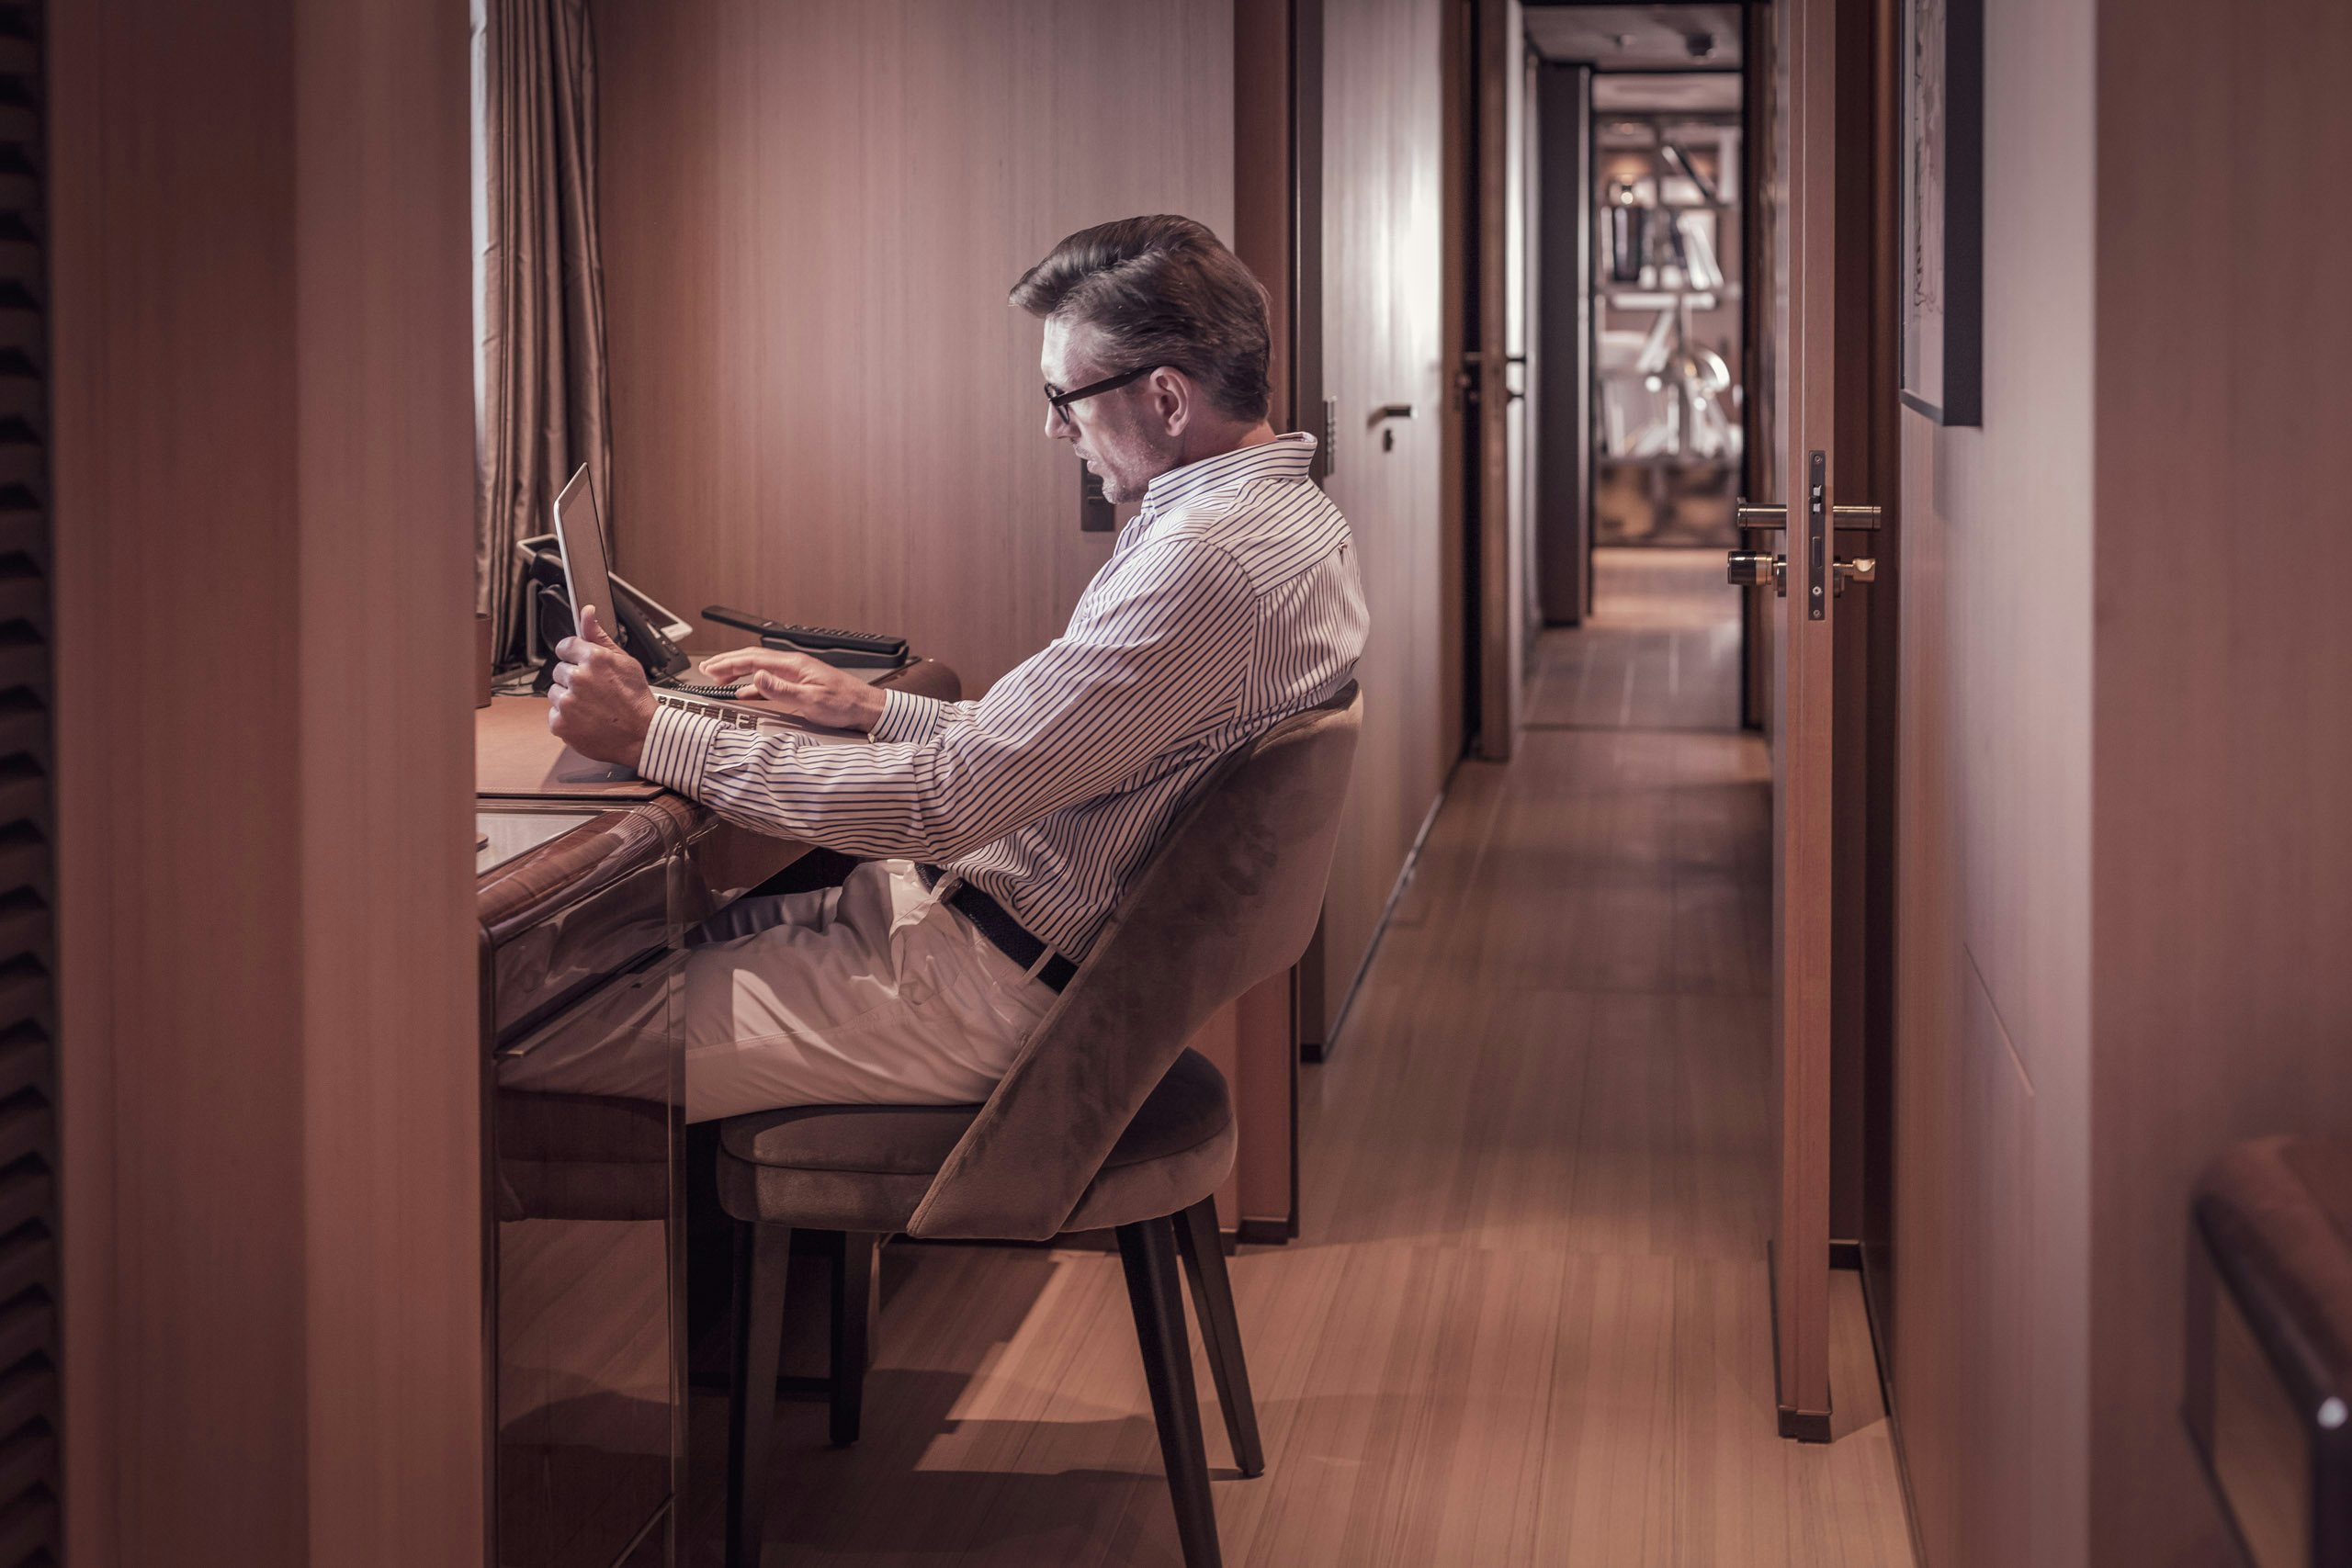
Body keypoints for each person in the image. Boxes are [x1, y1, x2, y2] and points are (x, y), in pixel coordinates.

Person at [548, 215, 1367, 1122]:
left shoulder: (1204, 562)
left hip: (979, 988)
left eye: (1065, 398)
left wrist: (651, 732)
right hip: (976, 936)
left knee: (529, 1028)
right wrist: (872, 707)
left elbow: (945, 803)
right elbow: (1073, 742)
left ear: (1168, 401)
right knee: (621, 952)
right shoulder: (1292, 523)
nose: (1052, 430)